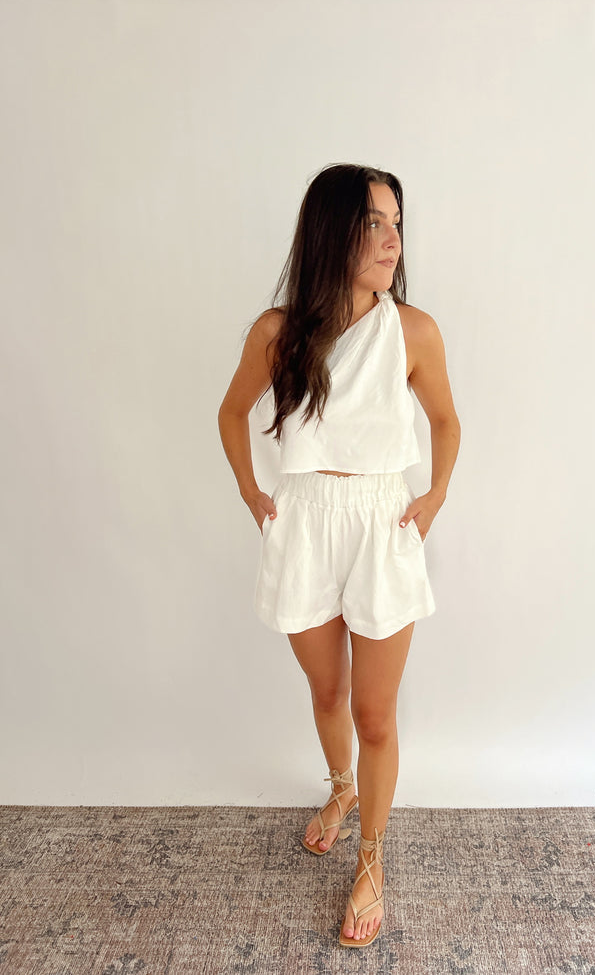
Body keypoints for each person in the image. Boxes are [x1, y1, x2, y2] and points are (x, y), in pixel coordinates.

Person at [218, 163, 460, 948]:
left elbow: (446, 421)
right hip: (306, 523)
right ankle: (342, 786)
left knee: (374, 712)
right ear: (331, 231)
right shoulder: (277, 332)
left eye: (397, 223)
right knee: (327, 689)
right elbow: (230, 411)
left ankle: (372, 858)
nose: (393, 240)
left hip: (381, 522)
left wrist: (434, 495)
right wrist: (253, 493)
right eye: (373, 223)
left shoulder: (413, 331)